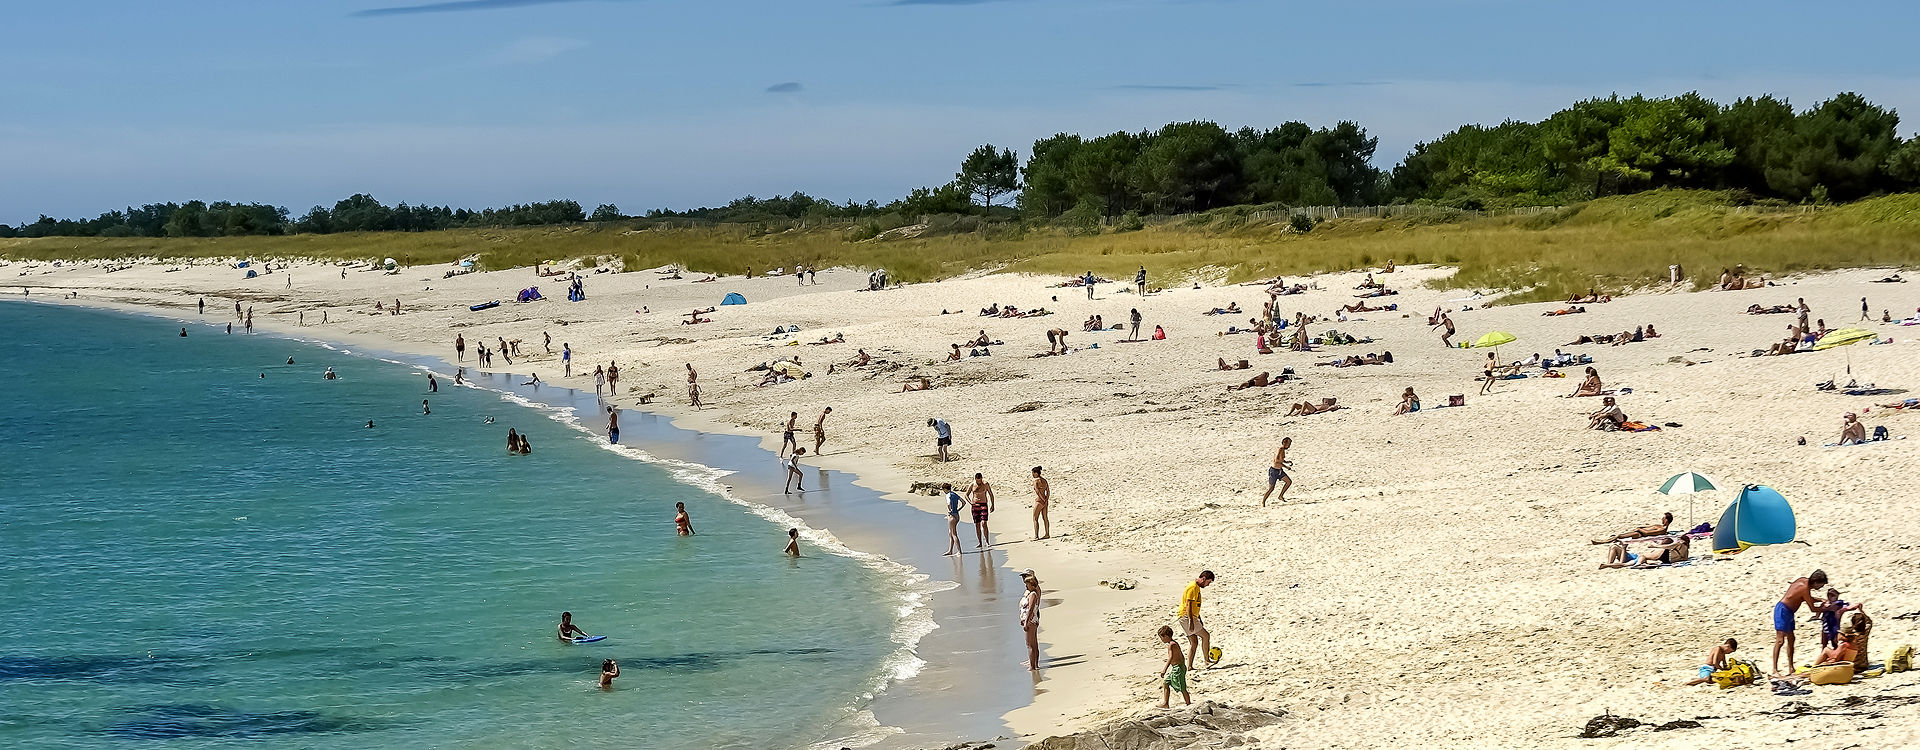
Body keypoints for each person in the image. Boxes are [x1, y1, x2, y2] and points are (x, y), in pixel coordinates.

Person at [1773, 569, 1830, 676]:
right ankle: (1775, 669)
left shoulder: (1803, 581)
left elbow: (1804, 598)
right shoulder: (1805, 589)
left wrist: (1820, 600)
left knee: (1791, 639)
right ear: (1816, 582)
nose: (1820, 588)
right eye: (1820, 586)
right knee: (1780, 641)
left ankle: (1791, 667)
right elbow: (1812, 608)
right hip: (1782, 611)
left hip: (1789, 612)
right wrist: (1827, 609)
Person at [1176, 570, 1215, 671]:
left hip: (1186, 616)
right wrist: (1191, 621)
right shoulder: (1193, 587)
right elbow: (1188, 605)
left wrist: (1199, 619)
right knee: (1206, 636)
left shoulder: (1196, 587)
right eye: (1208, 582)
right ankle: (1206, 661)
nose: (1208, 585)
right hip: (1186, 616)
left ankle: (1189, 666)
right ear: (1203, 579)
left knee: (1194, 642)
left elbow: (1194, 606)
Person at [1157, 625, 1191, 708]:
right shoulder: (1174, 643)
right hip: (1177, 668)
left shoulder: (1171, 645)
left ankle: (1188, 703)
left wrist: (1164, 669)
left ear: (1166, 636)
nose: (1161, 640)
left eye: (1162, 637)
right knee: (1166, 683)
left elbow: (1171, 657)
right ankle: (1166, 703)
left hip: (1178, 668)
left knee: (1182, 686)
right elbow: (1181, 655)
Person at [1591, 512, 1672, 544]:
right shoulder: (1658, 525)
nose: (1662, 519)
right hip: (1639, 531)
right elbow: (1647, 527)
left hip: (1639, 534)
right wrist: (1640, 527)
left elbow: (1647, 533)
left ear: (1666, 520)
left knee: (1619, 536)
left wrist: (1639, 529)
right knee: (1618, 536)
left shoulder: (1662, 529)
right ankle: (1606, 540)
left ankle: (1601, 542)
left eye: (1663, 518)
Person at [1018, 571, 1042, 671]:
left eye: (1027, 584)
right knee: (1033, 643)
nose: (1026, 586)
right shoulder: (1032, 592)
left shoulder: (1033, 594)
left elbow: (1031, 608)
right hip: (1031, 619)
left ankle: (1033, 666)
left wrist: (1027, 621)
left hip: (1031, 620)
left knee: (1030, 644)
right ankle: (1034, 664)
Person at [1260, 437, 1292, 506]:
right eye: (1288, 444)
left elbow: (1280, 459)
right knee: (1271, 488)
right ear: (1284, 442)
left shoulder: (1282, 450)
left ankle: (1280, 496)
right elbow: (1276, 461)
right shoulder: (1280, 449)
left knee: (1288, 482)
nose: (1289, 446)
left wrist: (1287, 462)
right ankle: (1263, 501)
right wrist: (1286, 467)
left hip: (1279, 471)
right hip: (1274, 471)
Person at [967, 472, 995, 549]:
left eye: (980, 480)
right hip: (975, 505)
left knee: (984, 523)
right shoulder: (972, 485)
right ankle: (980, 542)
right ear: (975, 479)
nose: (979, 482)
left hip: (983, 505)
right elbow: (966, 495)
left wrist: (992, 505)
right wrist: (970, 502)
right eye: (977, 481)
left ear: (981, 478)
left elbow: (991, 494)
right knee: (977, 524)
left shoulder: (985, 484)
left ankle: (987, 542)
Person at [1031, 466, 1051, 540]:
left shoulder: (1035, 481)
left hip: (1039, 500)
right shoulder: (1044, 480)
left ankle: (1036, 536)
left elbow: (1037, 491)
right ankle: (1047, 533)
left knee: (1035, 518)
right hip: (1045, 500)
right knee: (1045, 517)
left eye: (1033, 473)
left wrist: (1042, 499)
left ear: (1036, 473)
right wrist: (1046, 498)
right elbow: (1048, 491)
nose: (1032, 475)